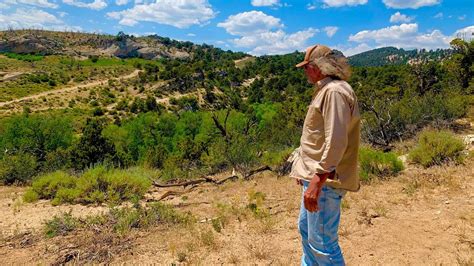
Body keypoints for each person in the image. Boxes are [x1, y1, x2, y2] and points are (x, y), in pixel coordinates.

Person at [289, 44, 361, 265]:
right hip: (317, 179)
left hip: (325, 183)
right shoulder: (329, 90)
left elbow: (336, 140)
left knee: (322, 244)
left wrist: (318, 179)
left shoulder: (334, 92)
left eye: (307, 67)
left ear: (320, 66)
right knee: (307, 232)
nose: (305, 71)